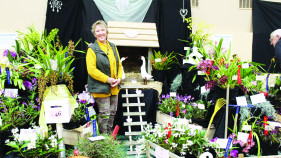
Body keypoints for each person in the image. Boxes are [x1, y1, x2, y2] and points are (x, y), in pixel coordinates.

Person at [86, 20, 123, 134]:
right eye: (98, 31)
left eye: (102, 30)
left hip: (114, 87)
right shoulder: (92, 49)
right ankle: (103, 140)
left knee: (112, 113)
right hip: (101, 88)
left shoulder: (113, 46)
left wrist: (119, 79)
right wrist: (108, 79)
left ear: (106, 32)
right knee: (104, 114)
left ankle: (109, 140)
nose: (101, 33)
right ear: (94, 34)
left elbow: (119, 65)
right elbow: (91, 70)